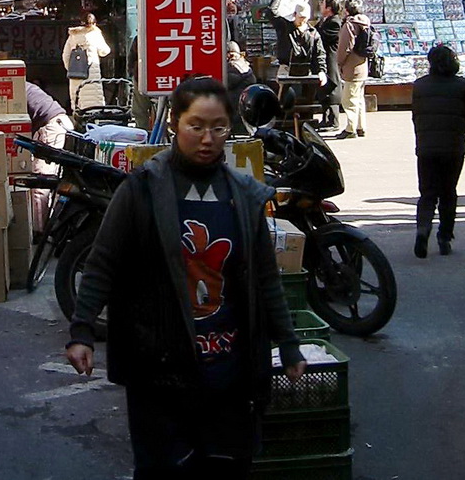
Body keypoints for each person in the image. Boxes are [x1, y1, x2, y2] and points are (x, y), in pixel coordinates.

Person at [66, 77, 305, 478]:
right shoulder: (141, 190)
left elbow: (265, 278)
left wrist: (290, 344)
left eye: (218, 127)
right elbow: (103, 262)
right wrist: (81, 331)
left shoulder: (244, 196)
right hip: (160, 369)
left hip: (229, 371)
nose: (207, 138)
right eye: (196, 126)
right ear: (175, 123)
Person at [411, 45, 465, 258]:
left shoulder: (420, 86)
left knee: (427, 192)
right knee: (448, 192)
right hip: (453, 147)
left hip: (426, 146)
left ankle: (423, 230)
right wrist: (460, 134)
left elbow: (416, 116)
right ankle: (445, 237)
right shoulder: (461, 86)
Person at [26, 81, 75, 229]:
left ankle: (39, 230)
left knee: (40, 180)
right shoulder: (21, 85)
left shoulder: (10, 90)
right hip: (57, 122)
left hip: (51, 126)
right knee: (46, 179)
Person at [335, 0, 371, 139]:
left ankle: (350, 129)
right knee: (359, 98)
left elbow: (345, 47)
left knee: (348, 99)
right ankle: (361, 126)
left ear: (347, 10)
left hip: (352, 67)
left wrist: (339, 62)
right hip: (363, 65)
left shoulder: (349, 25)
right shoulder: (365, 23)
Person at [62, 13, 111, 113]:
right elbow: (104, 51)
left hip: (75, 73)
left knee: (78, 101)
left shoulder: (73, 35)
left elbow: (65, 55)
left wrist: (72, 68)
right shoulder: (95, 34)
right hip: (91, 71)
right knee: (94, 101)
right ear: (94, 23)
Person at [315, 0, 342, 130]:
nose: (320, 4)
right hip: (324, 58)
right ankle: (325, 118)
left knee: (331, 86)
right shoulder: (325, 20)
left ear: (329, 7)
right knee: (323, 88)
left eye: (323, 3)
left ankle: (333, 120)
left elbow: (321, 36)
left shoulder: (335, 22)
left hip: (330, 58)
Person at [225, 41, 256, 134]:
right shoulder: (246, 67)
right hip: (247, 114)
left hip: (232, 116)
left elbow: (227, 83)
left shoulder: (229, 69)